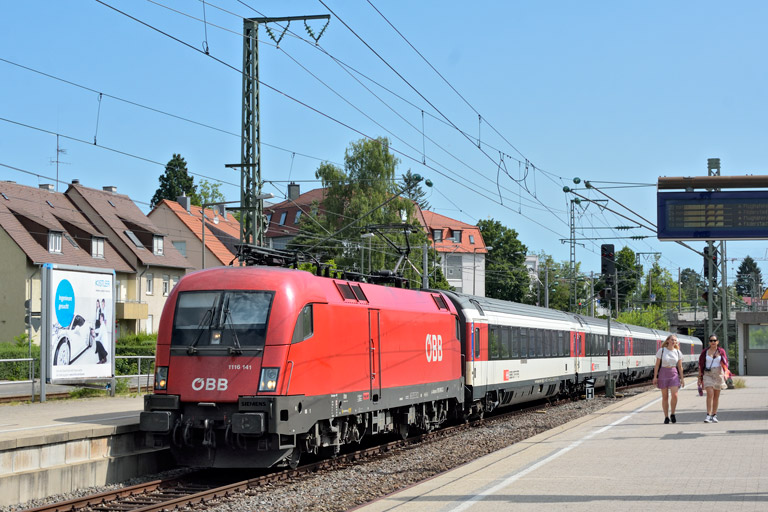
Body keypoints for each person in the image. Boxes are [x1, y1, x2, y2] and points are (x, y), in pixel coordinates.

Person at [653, 334, 685, 424]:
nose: (673, 341)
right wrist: (655, 377)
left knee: (675, 395)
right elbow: (657, 365)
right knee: (665, 396)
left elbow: (680, 366)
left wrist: (682, 378)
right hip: (663, 372)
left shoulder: (678, 352)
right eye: (672, 340)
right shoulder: (662, 351)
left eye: (675, 340)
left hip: (674, 373)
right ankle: (666, 416)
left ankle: (673, 413)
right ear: (667, 341)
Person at [698, 335, 728, 423]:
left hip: (718, 374)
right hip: (708, 374)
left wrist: (726, 373)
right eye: (711, 340)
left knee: (716, 396)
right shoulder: (705, 352)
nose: (713, 342)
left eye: (714, 340)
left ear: (717, 342)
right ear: (709, 342)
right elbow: (701, 364)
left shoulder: (721, 351)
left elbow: (725, 363)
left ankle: (714, 415)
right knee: (710, 393)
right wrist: (700, 377)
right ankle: (708, 415)